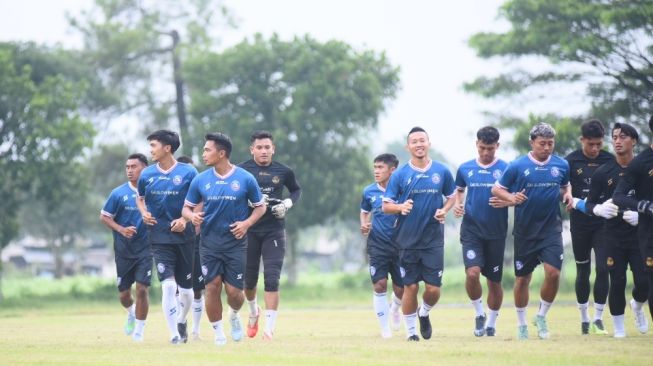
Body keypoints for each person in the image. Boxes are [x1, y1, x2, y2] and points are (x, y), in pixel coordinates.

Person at [491, 122, 573, 340]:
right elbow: (496, 189)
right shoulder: (517, 166)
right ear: (532, 142)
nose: (547, 148)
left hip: (551, 230)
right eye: (542, 143)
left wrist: (568, 195)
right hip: (525, 232)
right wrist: (511, 198)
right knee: (522, 280)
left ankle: (542, 316)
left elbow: (566, 186)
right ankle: (521, 324)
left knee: (553, 273)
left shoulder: (561, 164)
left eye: (550, 144)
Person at [183, 132, 266, 346]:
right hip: (209, 244)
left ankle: (234, 315)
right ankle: (219, 334)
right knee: (212, 286)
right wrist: (192, 216)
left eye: (207, 150)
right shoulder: (200, 179)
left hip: (235, 244)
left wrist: (246, 224)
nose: (203, 154)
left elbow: (260, 207)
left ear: (222, 153)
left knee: (234, 292)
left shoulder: (245, 178)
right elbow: (186, 208)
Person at [382, 126, 456, 342]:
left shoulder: (441, 171)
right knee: (410, 286)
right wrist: (400, 207)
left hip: (433, 239)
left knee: (433, 289)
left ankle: (424, 313)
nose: (419, 144)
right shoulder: (401, 175)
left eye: (422, 140)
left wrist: (445, 209)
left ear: (429, 143)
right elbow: (386, 205)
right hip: (407, 240)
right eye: (414, 141)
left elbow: (452, 196)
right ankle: (411, 332)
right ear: (408, 147)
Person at [581, 123, 648, 337]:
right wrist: (599, 209)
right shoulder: (604, 172)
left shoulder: (644, 167)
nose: (617, 141)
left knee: (644, 281)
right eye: (615, 137)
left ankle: (637, 306)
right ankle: (619, 329)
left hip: (641, 235)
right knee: (617, 280)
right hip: (612, 236)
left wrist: (643, 215)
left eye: (623, 136)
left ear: (634, 141)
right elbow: (589, 204)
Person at [238, 131, 302, 340]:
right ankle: (254, 310)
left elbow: (296, 190)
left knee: (272, 278)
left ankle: (269, 329)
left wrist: (286, 204)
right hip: (249, 230)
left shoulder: (283, 171)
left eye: (267, 147)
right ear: (252, 150)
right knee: (248, 282)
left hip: (274, 229)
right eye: (259, 147)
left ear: (273, 149)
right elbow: (233, 195)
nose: (264, 151)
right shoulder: (241, 170)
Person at [136, 130, 198, 344]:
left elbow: (200, 201)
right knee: (169, 286)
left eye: (153, 145)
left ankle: (181, 320)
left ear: (167, 148)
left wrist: (186, 220)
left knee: (187, 291)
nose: (150, 150)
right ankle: (173, 334)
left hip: (185, 238)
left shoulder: (189, 172)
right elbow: (140, 199)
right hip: (159, 237)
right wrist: (144, 213)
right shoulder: (147, 175)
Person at [453, 126, 510, 337]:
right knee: (472, 273)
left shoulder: (506, 168)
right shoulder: (465, 168)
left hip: (496, 232)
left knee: (494, 282)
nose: (486, 153)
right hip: (471, 231)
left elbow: (516, 197)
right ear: (476, 144)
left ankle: (492, 322)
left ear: (498, 146)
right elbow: (458, 190)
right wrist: (458, 204)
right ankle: (479, 313)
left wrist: (506, 203)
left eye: (490, 148)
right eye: (482, 148)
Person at [566, 119, 613, 335]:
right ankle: (584, 318)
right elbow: (562, 191)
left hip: (603, 224)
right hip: (580, 224)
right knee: (583, 270)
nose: (595, 149)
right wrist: (570, 200)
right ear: (582, 140)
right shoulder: (571, 161)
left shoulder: (609, 160)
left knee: (603, 269)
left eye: (598, 144)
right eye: (590, 144)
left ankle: (598, 318)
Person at [100, 153, 151, 342]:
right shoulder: (118, 193)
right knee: (124, 295)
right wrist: (121, 229)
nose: (129, 170)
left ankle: (139, 330)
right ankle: (130, 312)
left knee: (142, 290)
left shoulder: (153, 192)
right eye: (127, 167)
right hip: (123, 251)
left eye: (134, 167)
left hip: (146, 249)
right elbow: (104, 216)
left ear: (144, 169)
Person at [613, 116, 653, 332]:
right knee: (648, 284)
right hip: (648, 234)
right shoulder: (641, 163)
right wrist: (643, 207)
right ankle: (636, 307)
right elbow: (619, 196)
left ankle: (637, 304)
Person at [360, 153, 403, 338]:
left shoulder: (402, 190)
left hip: (401, 244)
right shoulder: (369, 191)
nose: (376, 171)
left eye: (380, 168)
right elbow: (364, 211)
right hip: (378, 244)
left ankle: (395, 307)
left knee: (401, 289)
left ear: (392, 170)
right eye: (375, 167)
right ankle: (385, 330)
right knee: (379, 285)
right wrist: (364, 223)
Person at [177, 155, 205, 340]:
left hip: (196, 243)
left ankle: (195, 330)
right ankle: (179, 324)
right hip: (174, 243)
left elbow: (199, 216)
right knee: (177, 288)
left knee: (197, 289)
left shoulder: (201, 190)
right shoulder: (171, 192)